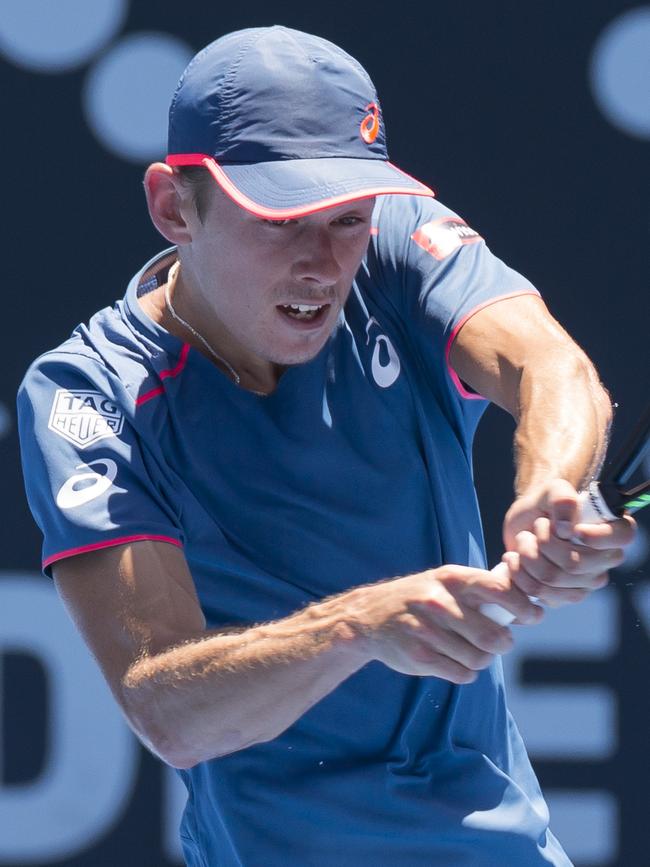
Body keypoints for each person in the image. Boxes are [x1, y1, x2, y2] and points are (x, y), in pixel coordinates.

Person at [17, 25, 634, 867]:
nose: (321, 262)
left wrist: (549, 492)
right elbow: (165, 707)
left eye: (346, 218)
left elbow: (549, 365)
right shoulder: (88, 393)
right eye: (282, 220)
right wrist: (357, 626)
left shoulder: (393, 249)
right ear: (173, 207)